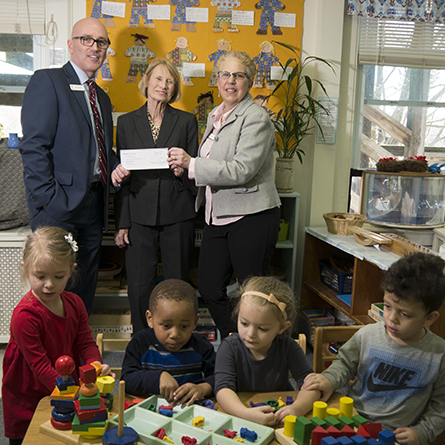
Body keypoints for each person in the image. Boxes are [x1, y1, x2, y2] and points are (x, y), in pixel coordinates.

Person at [167, 50, 281, 339]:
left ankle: (263, 349)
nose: (231, 81)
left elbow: (242, 169)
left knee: (253, 294)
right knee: (208, 287)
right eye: (225, 74)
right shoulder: (216, 115)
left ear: (250, 82)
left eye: (239, 75)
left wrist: (192, 164)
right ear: (217, 80)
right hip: (217, 216)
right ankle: (236, 340)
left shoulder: (255, 117)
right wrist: (188, 169)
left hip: (251, 215)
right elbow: (214, 163)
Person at [19, 17, 129, 315]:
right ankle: (48, 359)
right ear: (70, 45)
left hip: (94, 205)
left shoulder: (102, 99)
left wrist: (118, 167)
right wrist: (48, 200)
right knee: (50, 291)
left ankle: (76, 356)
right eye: (87, 39)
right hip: (58, 207)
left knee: (82, 290)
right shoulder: (48, 81)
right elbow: (33, 146)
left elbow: (99, 149)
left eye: (102, 42)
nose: (95, 47)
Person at [302, 252, 445, 445]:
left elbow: (441, 407)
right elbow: (344, 365)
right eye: (387, 306)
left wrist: (422, 432)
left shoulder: (440, 354)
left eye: (404, 314)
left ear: (429, 318)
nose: (391, 318)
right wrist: (329, 379)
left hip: (395, 437)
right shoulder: (367, 335)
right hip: (350, 421)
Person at [1, 226, 114, 445]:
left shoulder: (75, 303)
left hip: (63, 381)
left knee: (65, 432)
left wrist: (95, 367)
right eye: (40, 276)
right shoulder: (24, 316)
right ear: (26, 270)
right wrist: (70, 392)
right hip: (29, 387)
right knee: (29, 435)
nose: (49, 284)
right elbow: (40, 366)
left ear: (71, 271)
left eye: (59, 276)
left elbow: (85, 342)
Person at [114, 58, 198, 333]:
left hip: (178, 213)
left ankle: (179, 338)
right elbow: (123, 176)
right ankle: (142, 339)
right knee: (139, 285)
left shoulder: (187, 121)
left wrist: (181, 171)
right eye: (158, 79)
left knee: (178, 283)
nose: (163, 85)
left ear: (175, 90)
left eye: (170, 81)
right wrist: (122, 222)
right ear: (147, 81)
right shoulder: (126, 123)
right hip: (138, 212)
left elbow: (195, 171)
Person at [214, 276, 319, 426]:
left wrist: (297, 408)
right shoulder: (229, 347)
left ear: (282, 328)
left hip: (279, 417)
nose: (250, 334)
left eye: (262, 328)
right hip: (242, 414)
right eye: (244, 323)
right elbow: (223, 389)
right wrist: (244, 413)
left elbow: (311, 387)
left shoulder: (289, 347)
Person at [120, 279, 216, 406]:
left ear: (195, 321)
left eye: (184, 326)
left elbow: (222, 377)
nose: (175, 335)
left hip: (191, 413)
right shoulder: (140, 343)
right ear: (150, 319)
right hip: (151, 413)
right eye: (166, 325)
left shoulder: (201, 346)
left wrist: (202, 388)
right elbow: (126, 381)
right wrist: (157, 377)